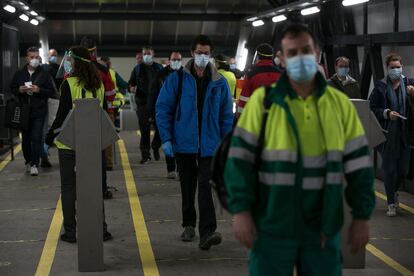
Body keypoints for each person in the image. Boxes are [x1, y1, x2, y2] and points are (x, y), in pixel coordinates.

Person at [225, 24, 375, 275]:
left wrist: (362, 216)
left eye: (306, 50)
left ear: (317, 53)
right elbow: (239, 160)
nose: (300, 58)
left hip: (322, 230)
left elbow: (359, 164)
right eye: (292, 53)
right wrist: (240, 210)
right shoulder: (263, 103)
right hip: (271, 227)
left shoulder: (339, 105)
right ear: (281, 59)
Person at [156, 35, 233, 250]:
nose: (202, 56)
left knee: (206, 186)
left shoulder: (220, 82)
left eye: (206, 53)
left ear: (211, 55)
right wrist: (167, 138)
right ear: (192, 53)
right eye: (199, 52)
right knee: (187, 186)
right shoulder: (177, 79)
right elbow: (163, 109)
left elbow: (226, 116)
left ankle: (207, 232)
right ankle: (189, 224)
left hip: (210, 144)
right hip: (184, 143)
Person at [45, 46, 112, 243]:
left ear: (77, 63)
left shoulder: (68, 84)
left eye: (70, 60)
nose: (67, 63)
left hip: (69, 144)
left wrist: (47, 140)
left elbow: (61, 117)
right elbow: (104, 114)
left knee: (68, 187)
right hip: (92, 143)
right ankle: (102, 229)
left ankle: (71, 231)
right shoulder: (98, 84)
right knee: (93, 187)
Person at [369, 53, 414, 217]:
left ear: (402, 67)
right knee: (389, 170)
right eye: (392, 67)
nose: (396, 70)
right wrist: (387, 113)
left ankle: (394, 191)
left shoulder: (408, 83)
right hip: (388, 133)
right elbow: (372, 107)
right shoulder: (380, 87)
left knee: (403, 170)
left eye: (398, 67)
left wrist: (413, 95)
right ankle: (391, 203)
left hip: (405, 134)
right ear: (388, 68)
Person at [10, 46, 54, 176]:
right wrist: (19, 90)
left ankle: (35, 163)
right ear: (26, 58)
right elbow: (12, 88)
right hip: (24, 111)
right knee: (26, 139)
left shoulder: (44, 74)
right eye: (32, 57)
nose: (34, 60)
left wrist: (39, 90)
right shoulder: (19, 73)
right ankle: (28, 161)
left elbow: (51, 91)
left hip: (39, 111)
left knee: (36, 137)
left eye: (36, 57)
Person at [80, 36, 114, 199]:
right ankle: (102, 189)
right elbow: (110, 95)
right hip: (99, 116)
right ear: (95, 51)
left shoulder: (71, 70)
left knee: (81, 157)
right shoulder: (103, 70)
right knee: (99, 156)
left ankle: (84, 190)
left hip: (78, 118)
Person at [148, 51, 182, 179]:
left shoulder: (186, 74)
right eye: (174, 59)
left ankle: (180, 169)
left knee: (179, 142)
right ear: (169, 60)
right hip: (165, 113)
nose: (176, 62)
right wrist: (152, 113)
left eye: (178, 59)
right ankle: (171, 169)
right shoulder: (160, 75)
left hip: (180, 114)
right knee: (167, 140)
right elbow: (153, 94)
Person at [128, 46, 163, 164]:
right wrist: (131, 88)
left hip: (158, 104)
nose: (146, 55)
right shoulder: (137, 69)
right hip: (142, 103)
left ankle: (156, 145)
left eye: (148, 53)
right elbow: (131, 83)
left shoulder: (159, 68)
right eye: (144, 54)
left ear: (153, 55)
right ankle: (145, 154)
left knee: (161, 128)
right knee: (145, 130)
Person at [236, 43, 282, 117]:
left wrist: (239, 115)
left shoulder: (251, 73)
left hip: (254, 116)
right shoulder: (280, 75)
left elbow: (244, 98)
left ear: (257, 56)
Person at [100, 56, 128, 131]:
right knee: (112, 124)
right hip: (113, 103)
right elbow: (124, 84)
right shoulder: (113, 73)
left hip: (105, 102)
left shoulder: (97, 72)